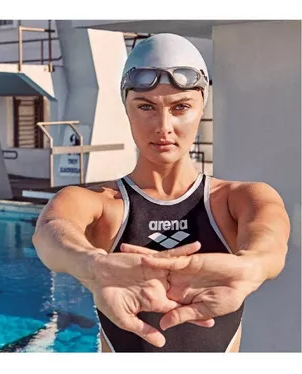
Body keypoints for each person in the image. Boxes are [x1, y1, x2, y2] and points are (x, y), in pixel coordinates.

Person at [31, 33, 290, 352]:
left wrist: (250, 267)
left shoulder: (238, 199)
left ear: (202, 108)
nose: (163, 126)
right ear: (126, 108)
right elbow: (51, 232)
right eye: (146, 107)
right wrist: (93, 266)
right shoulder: (96, 203)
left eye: (181, 107)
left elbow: (271, 239)